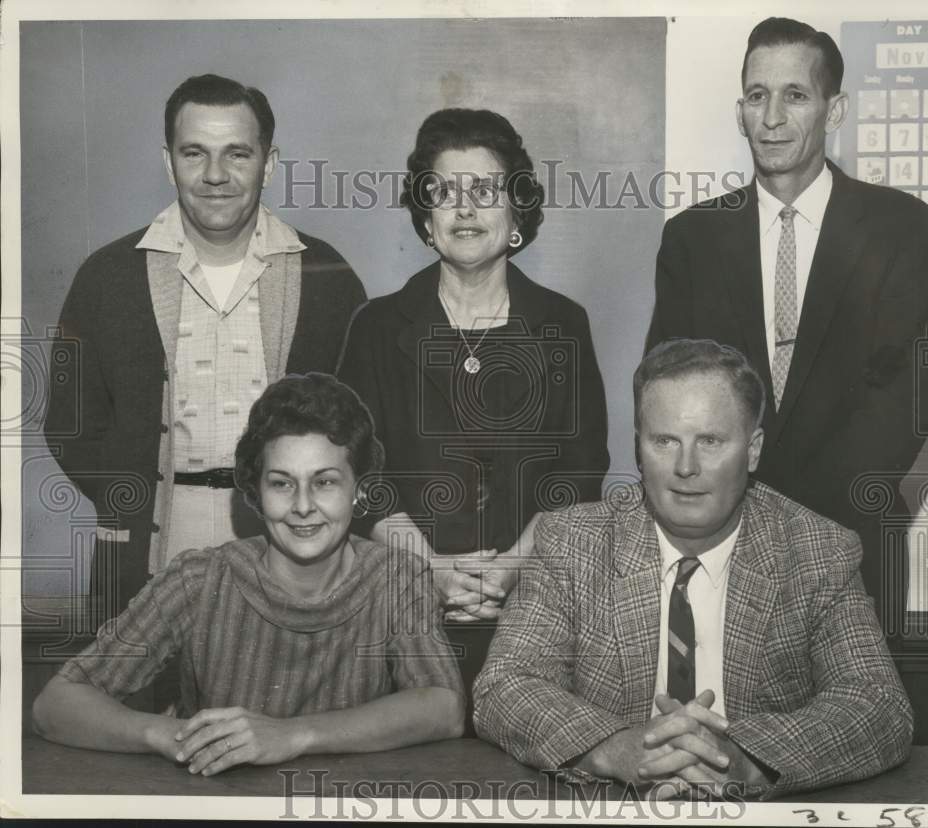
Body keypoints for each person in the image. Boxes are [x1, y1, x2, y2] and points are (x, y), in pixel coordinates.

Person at [475, 339, 912, 800]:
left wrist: (743, 759)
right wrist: (618, 747)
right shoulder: (572, 543)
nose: (686, 467)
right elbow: (504, 686)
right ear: (639, 450)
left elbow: (878, 706)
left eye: (710, 441)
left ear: (753, 449)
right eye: (665, 441)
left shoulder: (817, 551)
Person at [643, 17, 928, 635]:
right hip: (720, 549)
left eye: (796, 95)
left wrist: (793, 532)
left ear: (834, 112)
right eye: (758, 96)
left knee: (849, 727)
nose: (773, 117)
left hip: (852, 549)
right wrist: (734, 521)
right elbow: (668, 393)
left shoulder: (903, 230)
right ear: (740, 111)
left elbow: (903, 403)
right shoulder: (691, 238)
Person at [44, 74, 366, 620]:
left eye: (237, 154)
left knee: (279, 700)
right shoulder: (107, 276)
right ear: (169, 162)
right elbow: (70, 424)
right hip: (150, 546)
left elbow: (363, 426)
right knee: (143, 702)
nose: (215, 175)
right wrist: (133, 499)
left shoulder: (328, 276)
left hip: (289, 545)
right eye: (195, 153)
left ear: (269, 162)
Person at [33, 374, 464, 775]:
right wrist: (170, 735)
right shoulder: (200, 580)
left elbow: (444, 708)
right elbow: (55, 706)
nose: (302, 506)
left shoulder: (397, 580)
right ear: (255, 491)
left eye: (325, 482)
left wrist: (294, 735)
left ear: (360, 488)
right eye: (281, 483)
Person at [338, 108, 610, 718]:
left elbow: (581, 473)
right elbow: (353, 476)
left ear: (516, 211)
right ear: (426, 216)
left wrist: (511, 567)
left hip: (537, 614)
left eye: (484, 192)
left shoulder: (562, 324)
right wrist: (430, 568)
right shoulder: (377, 328)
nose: (464, 209)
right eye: (445, 192)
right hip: (398, 613)